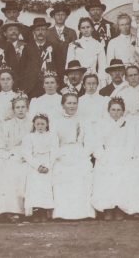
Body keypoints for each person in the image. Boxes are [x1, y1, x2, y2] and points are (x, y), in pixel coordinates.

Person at [51, 92, 95, 220]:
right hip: (62, 153)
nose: (72, 106)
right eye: (69, 103)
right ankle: (62, 212)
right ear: (63, 105)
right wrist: (60, 155)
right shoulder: (56, 122)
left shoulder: (84, 121)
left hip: (80, 152)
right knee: (62, 174)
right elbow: (53, 142)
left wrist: (84, 154)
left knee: (82, 172)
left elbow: (90, 141)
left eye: (75, 103)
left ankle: (84, 212)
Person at [91, 98, 134, 220]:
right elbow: (97, 143)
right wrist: (102, 156)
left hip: (122, 156)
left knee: (121, 181)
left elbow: (131, 143)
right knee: (106, 182)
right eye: (113, 110)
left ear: (123, 111)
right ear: (108, 111)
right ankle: (108, 209)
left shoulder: (129, 125)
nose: (116, 112)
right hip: (106, 156)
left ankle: (119, 208)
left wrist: (125, 157)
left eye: (119, 110)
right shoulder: (101, 125)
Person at [0, 93, 33, 222]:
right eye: (17, 107)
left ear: (27, 108)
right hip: (10, 156)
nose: (20, 110)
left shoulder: (33, 124)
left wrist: (28, 156)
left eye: (23, 107)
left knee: (25, 172)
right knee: (5, 171)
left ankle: (26, 211)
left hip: (28, 157)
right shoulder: (6, 125)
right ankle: (7, 210)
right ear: (13, 109)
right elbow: (0, 147)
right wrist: (9, 155)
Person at [22, 113, 57, 222]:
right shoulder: (29, 137)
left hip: (47, 163)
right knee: (34, 186)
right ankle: (36, 212)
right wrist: (37, 166)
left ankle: (44, 212)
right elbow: (26, 153)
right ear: (34, 125)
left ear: (47, 124)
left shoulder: (52, 136)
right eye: (37, 124)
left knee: (46, 187)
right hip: (34, 165)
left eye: (42, 124)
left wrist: (48, 166)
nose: (40, 126)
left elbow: (54, 152)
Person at [22, 17, 59, 98]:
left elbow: (59, 67)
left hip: (49, 87)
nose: (40, 32)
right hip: (31, 87)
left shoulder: (55, 47)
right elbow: (22, 68)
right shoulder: (27, 48)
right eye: (38, 30)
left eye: (43, 29)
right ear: (33, 32)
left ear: (47, 31)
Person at [66, 17, 107, 84]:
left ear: (92, 28)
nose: (86, 30)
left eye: (88, 27)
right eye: (83, 28)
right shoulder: (73, 44)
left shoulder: (98, 45)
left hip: (93, 78)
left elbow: (102, 65)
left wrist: (102, 81)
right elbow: (69, 64)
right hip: (78, 78)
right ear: (79, 29)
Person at [46, 3, 77, 81]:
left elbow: (75, 51)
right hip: (52, 66)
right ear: (53, 16)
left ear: (66, 17)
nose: (60, 17)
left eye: (62, 15)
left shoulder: (71, 32)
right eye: (57, 15)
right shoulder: (48, 32)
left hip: (66, 66)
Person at [3, 19, 29, 90]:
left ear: (19, 32)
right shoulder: (1, 47)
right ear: (5, 33)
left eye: (16, 29)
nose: (14, 31)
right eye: (10, 30)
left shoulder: (26, 46)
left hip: (23, 82)